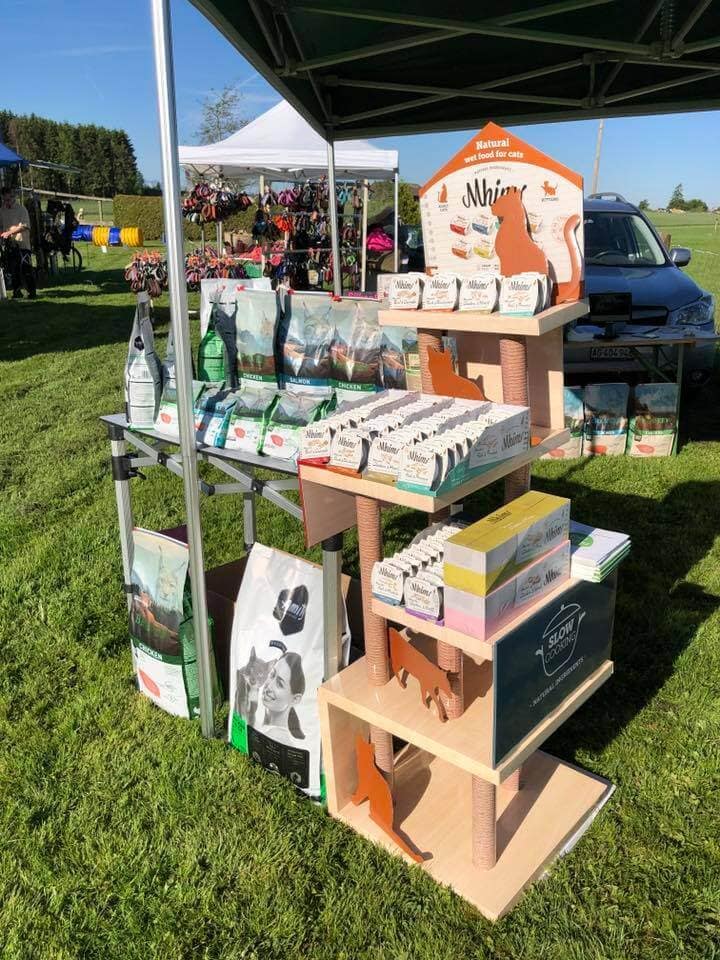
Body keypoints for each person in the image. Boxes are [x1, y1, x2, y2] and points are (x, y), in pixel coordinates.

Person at [0, 186, 36, 299]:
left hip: (22, 244)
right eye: (4, 200)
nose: (6, 202)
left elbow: (25, 226)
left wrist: (9, 232)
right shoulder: (2, 210)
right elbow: (1, 226)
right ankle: (17, 292)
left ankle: (32, 292)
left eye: (8, 200)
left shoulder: (21, 209)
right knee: (13, 269)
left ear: (13, 197)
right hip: (9, 244)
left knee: (26, 268)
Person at [261, 651, 306, 740]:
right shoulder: (266, 728)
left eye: (280, 684)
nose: (269, 686)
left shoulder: (274, 736)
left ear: (295, 699)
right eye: (272, 675)